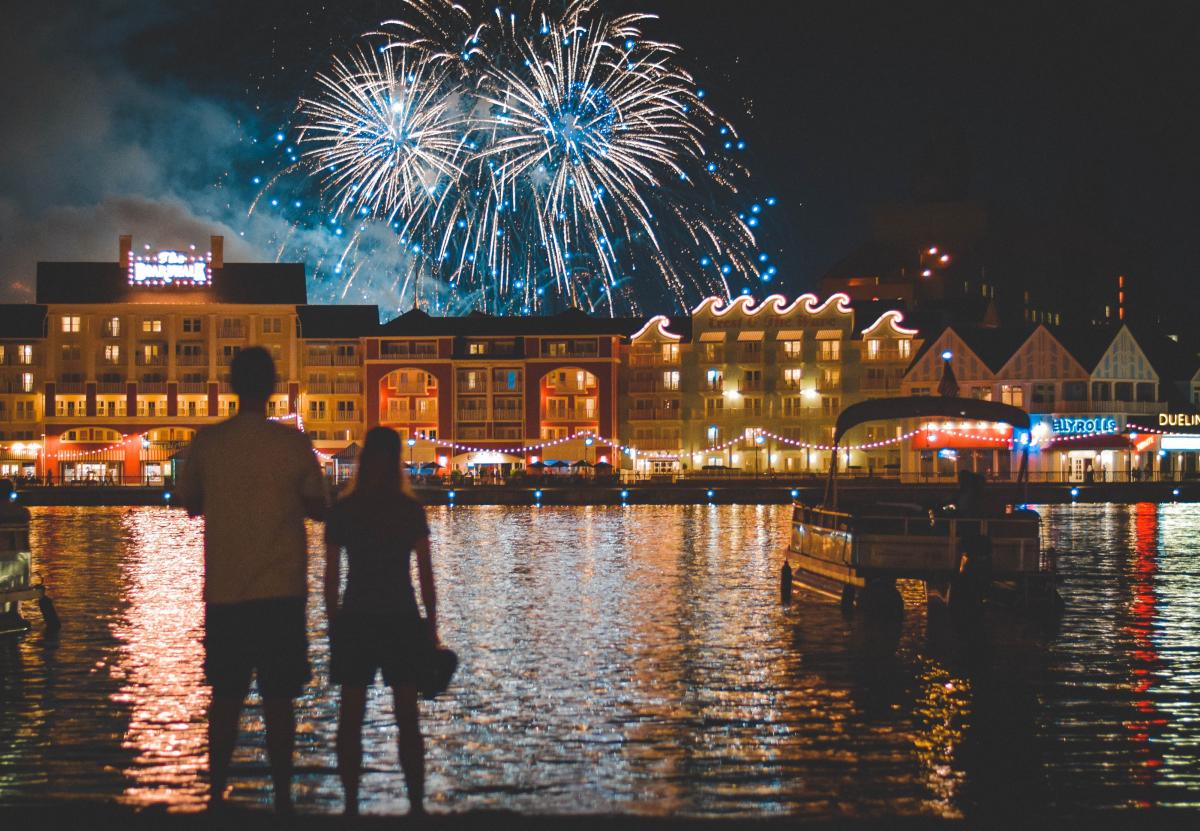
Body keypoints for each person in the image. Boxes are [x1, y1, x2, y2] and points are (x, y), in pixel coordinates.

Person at [179, 347, 326, 813]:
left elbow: (189, 502)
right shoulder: (293, 446)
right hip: (282, 592)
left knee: (225, 697)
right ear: (274, 388)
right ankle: (283, 800)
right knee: (280, 700)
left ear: (230, 385)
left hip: (226, 592)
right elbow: (320, 506)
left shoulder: (208, 444)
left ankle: (216, 797)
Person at [324, 426, 438, 817]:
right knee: (408, 717)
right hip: (401, 616)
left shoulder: (344, 509)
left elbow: (331, 575)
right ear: (398, 461)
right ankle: (417, 805)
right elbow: (424, 573)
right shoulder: (409, 511)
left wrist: (333, 621)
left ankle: (352, 805)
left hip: (355, 616)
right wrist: (432, 626)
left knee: (350, 717)